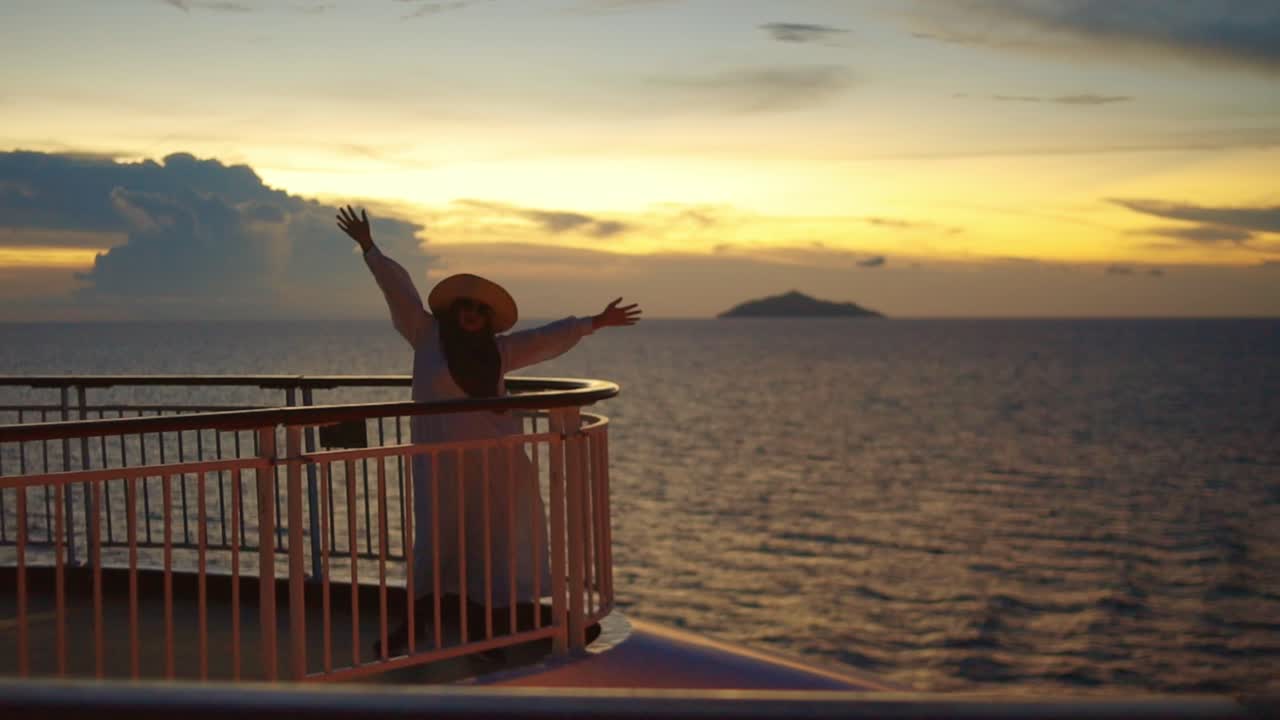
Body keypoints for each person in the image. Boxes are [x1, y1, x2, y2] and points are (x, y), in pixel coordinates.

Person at [337, 205, 640, 657]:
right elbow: (399, 292)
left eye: (483, 310)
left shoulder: (497, 352)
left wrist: (595, 321)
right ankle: (418, 624)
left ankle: (502, 628)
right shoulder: (426, 334)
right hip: (440, 460)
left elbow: (546, 338)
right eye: (469, 306)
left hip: (496, 462)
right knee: (438, 540)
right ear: (456, 310)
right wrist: (369, 247)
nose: (474, 314)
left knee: (496, 541)